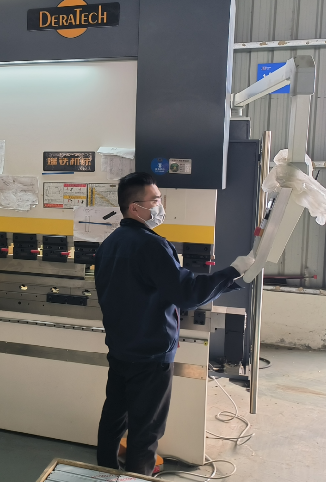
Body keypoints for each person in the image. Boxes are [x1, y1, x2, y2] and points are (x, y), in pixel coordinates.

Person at [94, 172, 255, 476]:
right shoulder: (151, 245)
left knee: (115, 415)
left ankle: (104, 473)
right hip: (150, 355)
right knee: (146, 429)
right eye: (155, 200)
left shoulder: (110, 243)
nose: (161, 206)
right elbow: (187, 293)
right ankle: (138, 477)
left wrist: (228, 281)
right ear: (135, 207)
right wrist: (232, 272)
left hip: (120, 348)